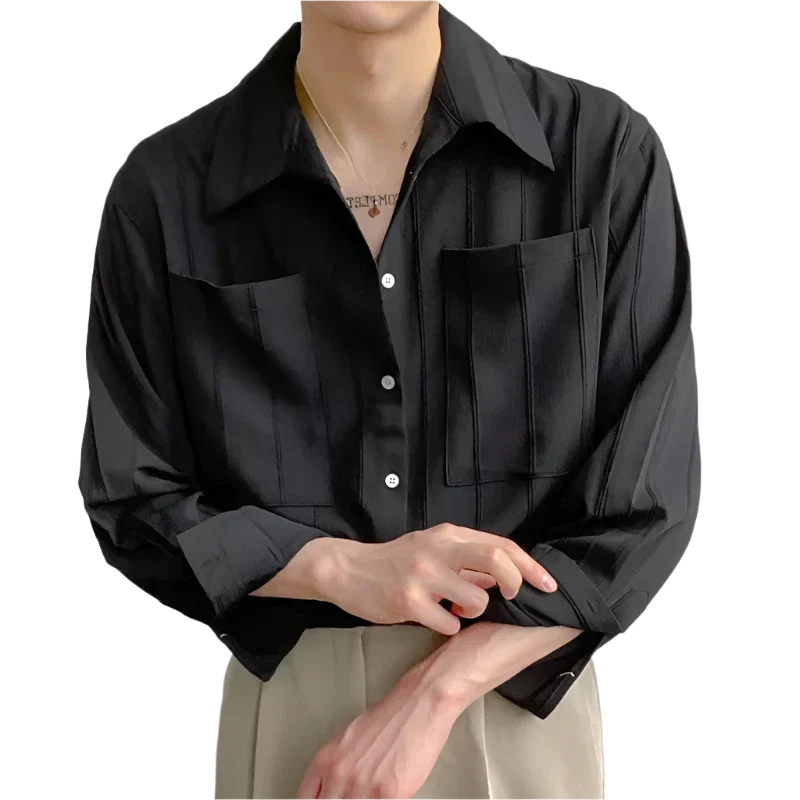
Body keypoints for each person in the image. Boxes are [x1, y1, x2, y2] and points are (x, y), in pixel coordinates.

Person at [79, 1, 701, 798]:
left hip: (518, 700)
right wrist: (343, 568)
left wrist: (431, 694)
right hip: (292, 713)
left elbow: (646, 502)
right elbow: (132, 496)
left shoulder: (601, 154)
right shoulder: (166, 188)